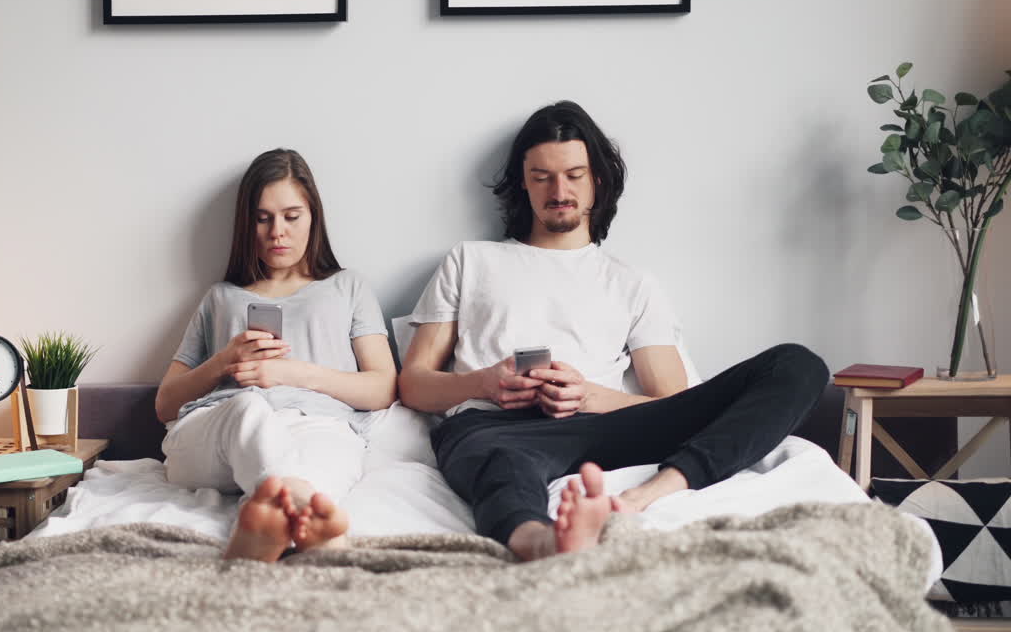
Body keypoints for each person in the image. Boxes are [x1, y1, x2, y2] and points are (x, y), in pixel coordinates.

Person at [398, 101, 829, 562]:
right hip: (493, 427)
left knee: (799, 365)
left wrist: (590, 397)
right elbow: (413, 384)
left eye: (574, 175)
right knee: (503, 465)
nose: (558, 190)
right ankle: (538, 541)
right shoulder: (470, 261)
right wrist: (485, 382)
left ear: (597, 181)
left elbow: (673, 403)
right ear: (523, 183)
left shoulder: (632, 283)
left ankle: (656, 490)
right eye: (541, 176)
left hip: (605, 427)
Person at [156, 148, 396, 562]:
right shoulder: (221, 297)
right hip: (218, 430)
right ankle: (300, 518)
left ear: (313, 216)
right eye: (263, 218)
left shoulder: (348, 288)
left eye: (291, 216)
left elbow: (383, 387)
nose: (277, 232)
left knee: (324, 461)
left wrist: (290, 373)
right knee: (248, 409)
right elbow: (165, 405)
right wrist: (225, 360)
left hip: (318, 425)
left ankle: (262, 526)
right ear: (247, 224)